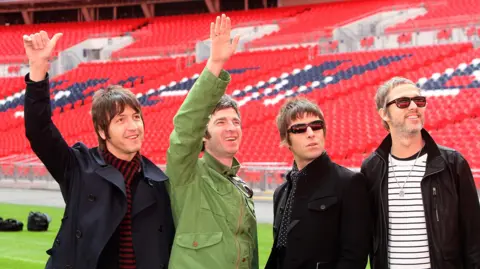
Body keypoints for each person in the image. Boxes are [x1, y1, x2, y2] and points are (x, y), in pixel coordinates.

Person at [23, 30, 174, 269]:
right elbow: (39, 130)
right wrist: (38, 71)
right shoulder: (78, 167)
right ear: (103, 132)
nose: (133, 126)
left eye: (136, 117)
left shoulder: (157, 181)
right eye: (120, 120)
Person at [165, 14, 258, 269]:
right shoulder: (188, 175)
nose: (231, 128)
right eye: (220, 122)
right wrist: (216, 63)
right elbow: (186, 127)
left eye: (235, 122)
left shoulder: (241, 187)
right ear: (203, 135)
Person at [361, 77, 480, 269]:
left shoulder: (453, 163)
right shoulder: (372, 168)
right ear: (384, 114)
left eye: (419, 101)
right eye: (403, 102)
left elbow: (474, 236)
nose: (413, 106)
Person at [265, 98, 371, 269]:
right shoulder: (281, 192)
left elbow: (354, 257)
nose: (310, 133)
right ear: (286, 139)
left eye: (316, 126)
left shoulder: (349, 183)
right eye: (299, 129)